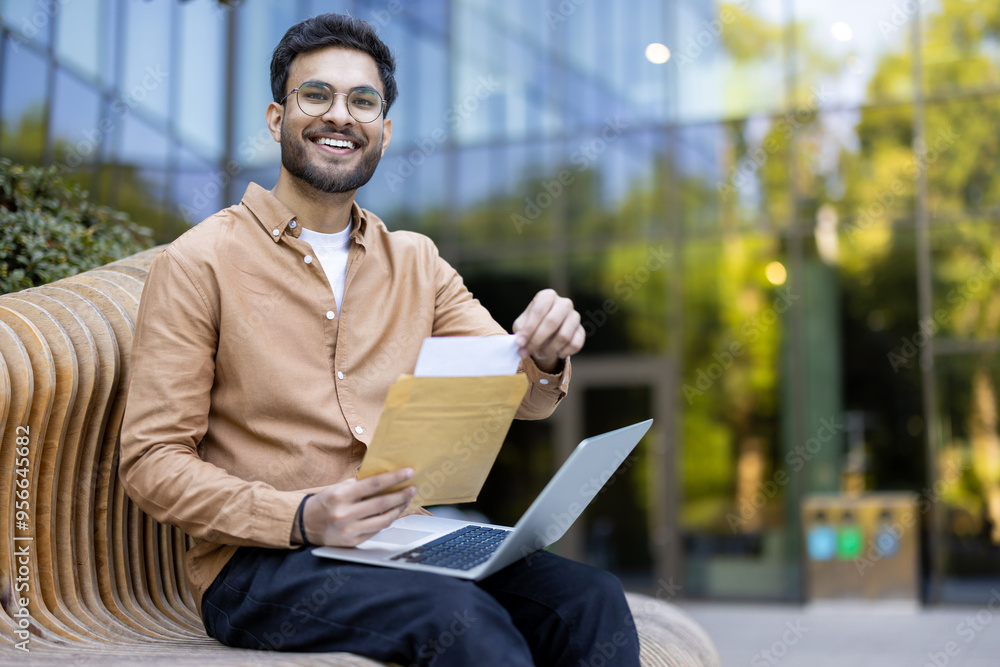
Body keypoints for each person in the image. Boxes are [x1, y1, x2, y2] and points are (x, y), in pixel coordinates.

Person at [120, 12, 639, 666]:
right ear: (277, 118)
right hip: (262, 566)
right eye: (317, 95)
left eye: (362, 101)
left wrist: (543, 350)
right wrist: (304, 514)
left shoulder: (416, 262)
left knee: (590, 598)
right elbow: (150, 462)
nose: (341, 115)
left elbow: (524, 396)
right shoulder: (199, 262)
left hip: (404, 541)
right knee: (460, 620)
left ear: (384, 133)